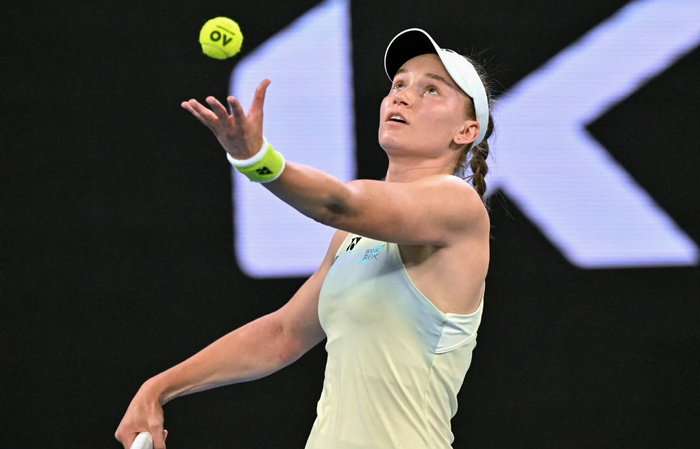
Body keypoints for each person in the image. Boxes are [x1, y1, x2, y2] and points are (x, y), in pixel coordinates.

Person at [115, 28, 495, 449]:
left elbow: (339, 204)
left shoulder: (459, 206)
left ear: (466, 131)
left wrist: (258, 161)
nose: (402, 97)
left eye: (431, 90)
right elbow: (282, 335)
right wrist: (157, 388)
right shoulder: (352, 237)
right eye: (399, 85)